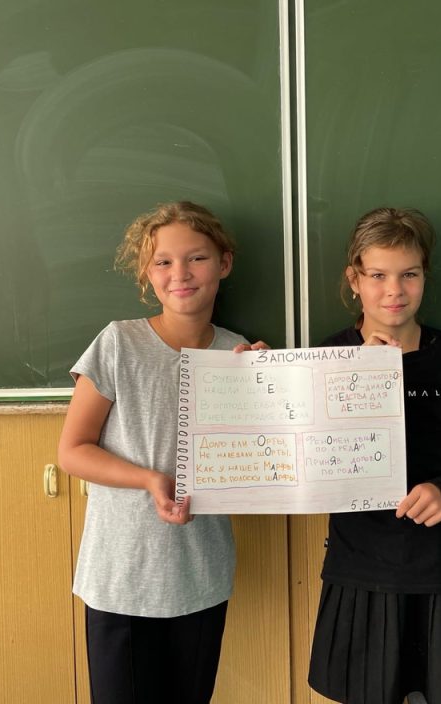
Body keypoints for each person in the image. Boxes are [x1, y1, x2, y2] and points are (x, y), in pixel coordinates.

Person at [58, 201, 265, 704]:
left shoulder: (238, 353)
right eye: (163, 262)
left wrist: (270, 384)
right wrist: (150, 479)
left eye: (197, 258)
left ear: (224, 263)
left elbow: (259, 461)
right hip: (121, 575)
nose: (180, 274)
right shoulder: (118, 343)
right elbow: (73, 451)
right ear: (147, 274)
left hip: (200, 573)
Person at [308, 207, 441, 704]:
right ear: (354, 280)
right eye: (377, 275)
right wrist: (252, 382)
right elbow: (298, 457)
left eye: (409, 274)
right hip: (363, 566)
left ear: (425, 277)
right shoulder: (324, 361)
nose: (394, 290)